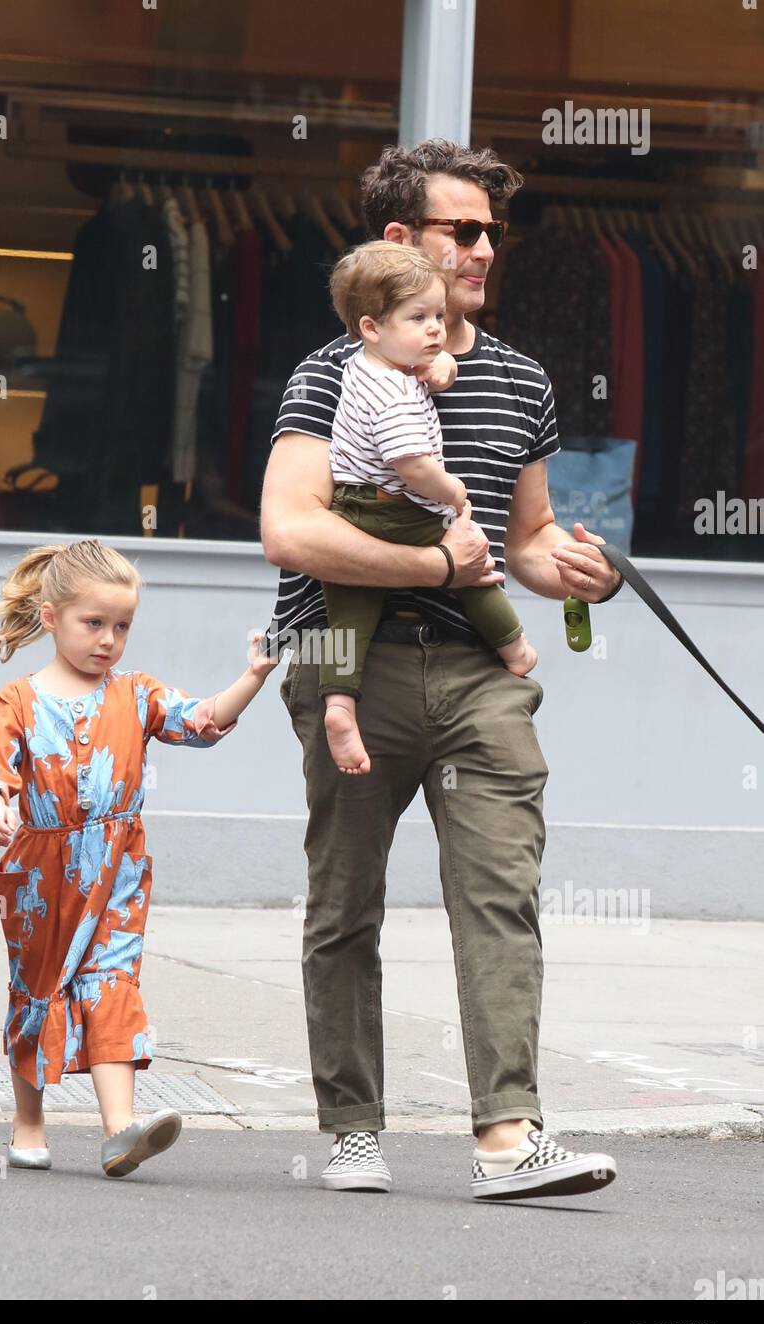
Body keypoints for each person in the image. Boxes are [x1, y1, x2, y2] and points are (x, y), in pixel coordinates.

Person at [260, 140, 624, 1199]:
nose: (479, 249)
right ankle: (352, 1127)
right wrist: (428, 560)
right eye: (458, 230)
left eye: (488, 233)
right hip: (341, 652)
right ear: (397, 240)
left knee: (500, 893)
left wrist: (577, 575)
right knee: (345, 903)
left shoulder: (517, 377)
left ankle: (507, 1137)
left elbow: (524, 536)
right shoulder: (331, 372)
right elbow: (289, 531)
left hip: (475, 669)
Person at [0, 538, 277, 1178]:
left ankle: (119, 1133)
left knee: (112, 982)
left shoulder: (136, 694)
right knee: (38, 991)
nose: (108, 639)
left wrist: (253, 676)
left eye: (123, 626)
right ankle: (29, 1122)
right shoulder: (17, 700)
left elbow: (201, 721)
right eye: (94, 623)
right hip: (38, 874)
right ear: (52, 619)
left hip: (116, 869)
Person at [320, 239, 535, 774]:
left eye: (438, 316)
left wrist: (438, 367)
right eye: (419, 318)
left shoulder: (365, 366)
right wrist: (453, 491)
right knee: (473, 568)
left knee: (347, 617)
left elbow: (433, 368)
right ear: (372, 327)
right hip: (399, 510)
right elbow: (412, 464)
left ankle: (339, 704)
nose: (436, 330)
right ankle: (515, 648)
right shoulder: (392, 395)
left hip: (351, 508)